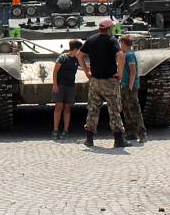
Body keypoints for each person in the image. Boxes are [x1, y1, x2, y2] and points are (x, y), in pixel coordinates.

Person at [76, 17, 127, 148]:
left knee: (93, 109)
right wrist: (120, 73)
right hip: (110, 81)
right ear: (109, 28)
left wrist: (87, 72)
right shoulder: (112, 40)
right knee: (114, 110)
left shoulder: (91, 39)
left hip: (95, 81)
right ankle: (119, 140)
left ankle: (89, 139)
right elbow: (121, 55)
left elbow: (79, 55)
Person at [52, 39, 82, 139]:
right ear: (76, 49)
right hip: (61, 85)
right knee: (58, 107)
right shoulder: (62, 58)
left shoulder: (77, 59)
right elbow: (55, 71)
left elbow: (86, 67)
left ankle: (66, 130)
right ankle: (55, 130)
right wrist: (55, 85)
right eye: (80, 49)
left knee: (67, 108)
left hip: (70, 86)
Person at [119, 34, 147, 144]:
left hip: (130, 86)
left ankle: (142, 133)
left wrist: (130, 86)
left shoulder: (130, 55)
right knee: (126, 109)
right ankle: (130, 132)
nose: (119, 45)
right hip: (125, 84)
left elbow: (133, 71)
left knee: (134, 109)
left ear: (124, 44)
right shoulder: (126, 54)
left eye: (120, 42)